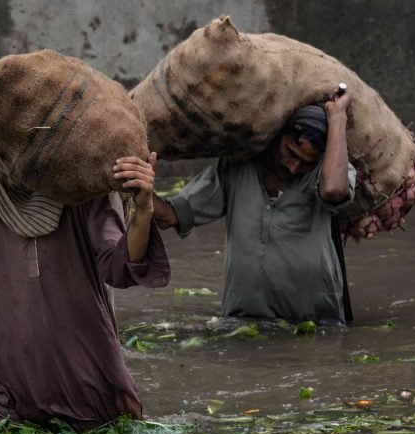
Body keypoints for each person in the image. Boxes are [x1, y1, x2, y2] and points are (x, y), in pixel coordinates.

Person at [0, 84, 171, 432]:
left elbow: (119, 268)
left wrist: (143, 209)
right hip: (4, 392)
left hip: (82, 383)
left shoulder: (82, 196)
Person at [152, 88, 356, 324]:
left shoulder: (330, 172)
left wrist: (337, 117)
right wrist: (140, 189)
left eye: (305, 162)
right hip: (243, 320)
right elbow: (169, 217)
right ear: (276, 136)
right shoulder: (237, 168)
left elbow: (333, 191)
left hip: (316, 322)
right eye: (290, 152)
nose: (293, 167)